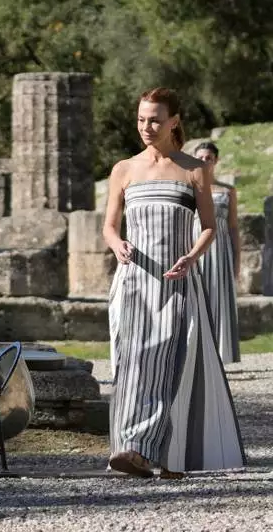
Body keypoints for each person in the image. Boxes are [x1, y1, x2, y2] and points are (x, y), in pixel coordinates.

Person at [102, 87, 245, 478]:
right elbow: (110, 226)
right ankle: (129, 448)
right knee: (131, 363)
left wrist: (192, 256)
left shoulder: (192, 169)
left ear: (174, 122)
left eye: (155, 120)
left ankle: (155, 452)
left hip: (176, 281)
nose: (146, 127)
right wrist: (117, 245)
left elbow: (210, 228)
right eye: (141, 119)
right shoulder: (124, 169)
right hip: (134, 281)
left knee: (168, 364)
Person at [192, 142, 241, 364]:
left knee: (218, 298)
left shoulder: (228, 191)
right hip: (194, 249)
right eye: (200, 157)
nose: (204, 161)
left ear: (215, 161)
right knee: (195, 299)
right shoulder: (188, 188)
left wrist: (237, 260)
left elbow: (233, 227)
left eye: (208, 158)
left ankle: (219, 357)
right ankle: (194, 354)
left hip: (220, 250)